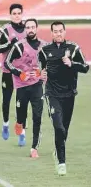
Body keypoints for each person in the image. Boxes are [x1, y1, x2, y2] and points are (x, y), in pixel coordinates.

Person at [38, 21, 89, 176]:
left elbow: (85, 67)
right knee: (58, 127)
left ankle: (57, 151)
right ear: (51, 33)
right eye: (55, 31)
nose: (58, 34)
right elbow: (41, 68)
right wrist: (42, 74)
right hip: (52, 94)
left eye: (61, 31)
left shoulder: (73, 49)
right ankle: (61, 162)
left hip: (69, 94)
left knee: (64, 130)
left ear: (65, 32)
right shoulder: (45, 51)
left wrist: (71, 63)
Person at [4, 19, 45, 154]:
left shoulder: (43, 46)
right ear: (25, 30)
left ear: (37, 28)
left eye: (33, 27)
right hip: (21, 86)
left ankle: (34, 148)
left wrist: (42, 72)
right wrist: (19, 73)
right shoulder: (19, 46)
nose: (31, 29)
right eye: (28, 27)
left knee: (37, 116)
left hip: (37, 85)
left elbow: (50, 64)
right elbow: (7, 63)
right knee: (21, 115)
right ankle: (19, 122)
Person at [0, 4, 27, 140]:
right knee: (7, 99)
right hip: (8, 71)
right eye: (14, 13)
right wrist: (9, 43)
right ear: (10, 15)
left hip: (22, 72)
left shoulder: (27, 29)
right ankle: (5, 124)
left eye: (19, 13)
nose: (17, 15)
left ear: (22, 14)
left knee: (22, 102)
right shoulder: (4, 30)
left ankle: (21, 131)